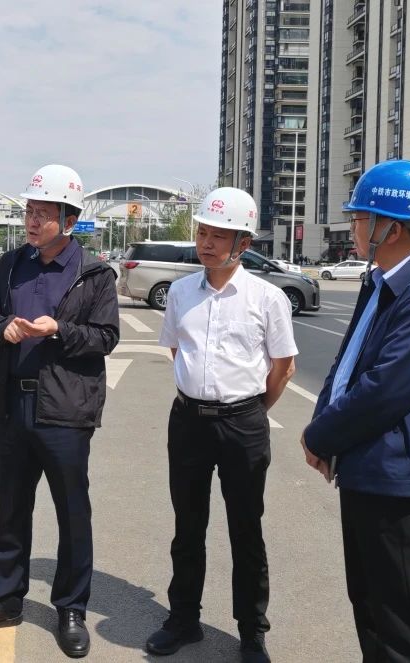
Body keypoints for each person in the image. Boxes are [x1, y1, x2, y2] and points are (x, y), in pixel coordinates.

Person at [300, 160, 410, 662]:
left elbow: (384, 390)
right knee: (371, 607)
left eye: (359, 217)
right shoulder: (382, 282)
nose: (352, 226)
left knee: (405, 625)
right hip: (367, 468)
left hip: (396, 480)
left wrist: (320, 437)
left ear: (389, 228)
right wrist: (323, 426)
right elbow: (348, 363)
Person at [0, 164, 120, 659]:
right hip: (13, 404)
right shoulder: (10, 264)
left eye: (43, 213)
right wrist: (1, 327)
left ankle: (71, 608)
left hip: (65, 409)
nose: (31, 220)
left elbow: (106, 337)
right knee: (10, 507)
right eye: (29, 210)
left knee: (72, 512)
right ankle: (5, 599)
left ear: (69, 220)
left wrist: (58, 331)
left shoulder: (93, 273)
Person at [145, 187, 296, 663]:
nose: (206, 243)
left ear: (243, 244)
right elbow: (178, 350)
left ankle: (252, 631)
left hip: (242, 424)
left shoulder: (267, 298)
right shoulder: (181, 293)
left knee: (245, 529)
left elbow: (283, 366)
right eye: (202, 233)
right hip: (188, 421)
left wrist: (250, 411)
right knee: (187, 526)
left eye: (218, 236)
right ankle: (183, 619)